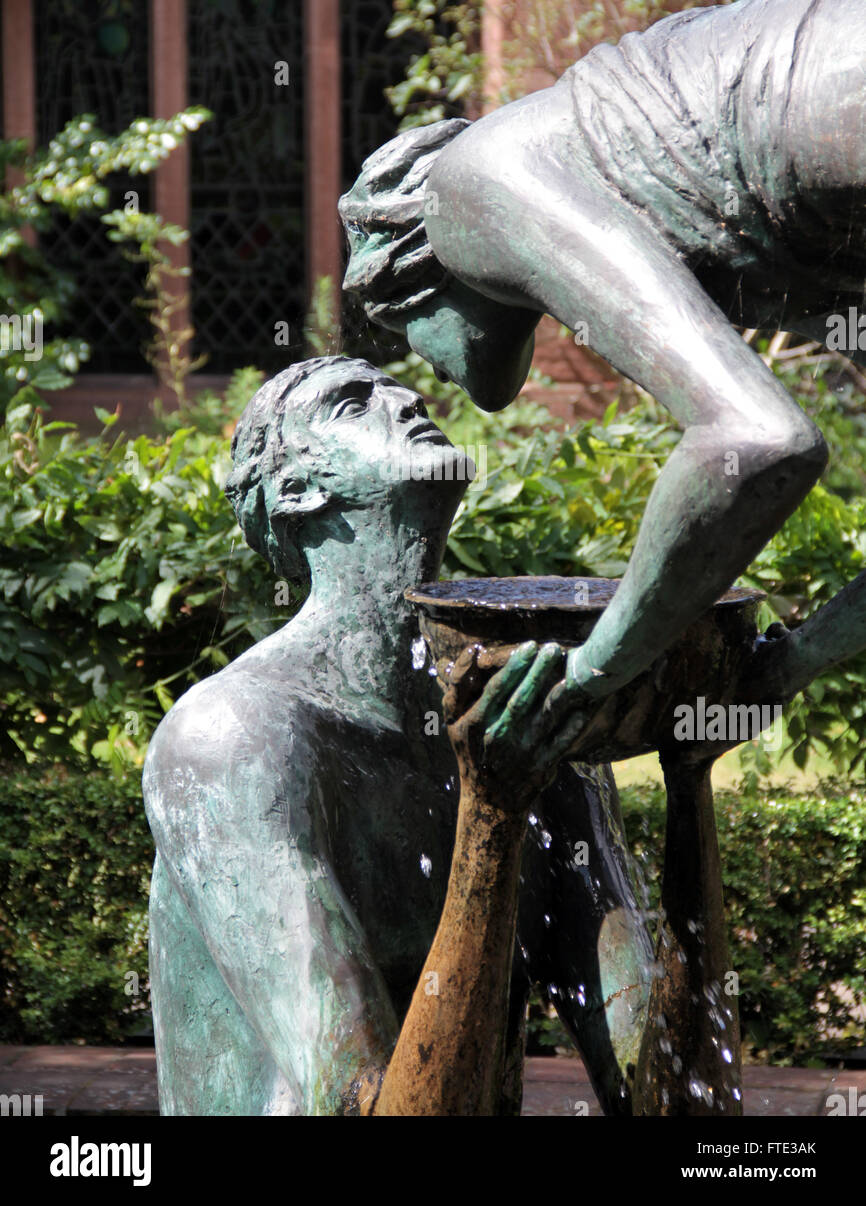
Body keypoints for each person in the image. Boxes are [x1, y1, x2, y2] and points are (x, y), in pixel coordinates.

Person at [339, 0, 866, 710]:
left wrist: (592, 675)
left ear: (417, 271)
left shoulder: (466, 188)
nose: (422, 368)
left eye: (404, 332)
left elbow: (755, 442)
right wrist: (786, 666)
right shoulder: (741, 226)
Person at [142, 356, 654, 1116]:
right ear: (296, 490)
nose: (407, 397)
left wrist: (688, 768)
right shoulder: (232, 741)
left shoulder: (515, 716)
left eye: (398, 387)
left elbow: (665, 1087)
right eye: (354, 402)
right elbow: (358, 1107)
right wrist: (491, 813)